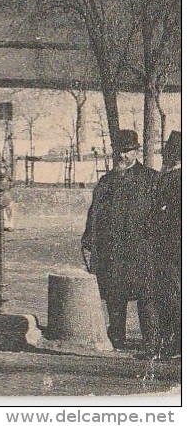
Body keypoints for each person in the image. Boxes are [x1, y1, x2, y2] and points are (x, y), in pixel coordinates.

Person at [82, 129, 159, 350]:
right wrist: (88, 238)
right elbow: (94, 212)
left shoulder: (150, 179)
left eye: (127, 151)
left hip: (141, 249)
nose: (121, 156)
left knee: (146, 296)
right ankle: (117, 336)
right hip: (113, 249)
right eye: (118, 151)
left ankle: (150, 341)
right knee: (115, 294)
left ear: (137, 152)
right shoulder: (106, 181)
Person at [147, 131, 181, 358]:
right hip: (168, 244)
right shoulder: (168, 177)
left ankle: (175, 342)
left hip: (171, 244)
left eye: (167, 154)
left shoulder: (174, 179)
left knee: (171, 293)